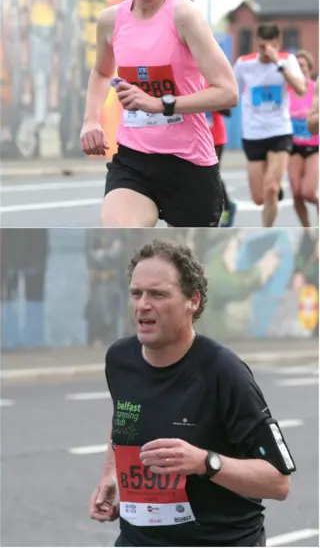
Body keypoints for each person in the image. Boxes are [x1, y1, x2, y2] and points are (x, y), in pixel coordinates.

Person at [89, 240, 295, 547]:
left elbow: (279, 482)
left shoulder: (224, 372)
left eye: (158, 294)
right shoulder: (120, 360)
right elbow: (124, 413)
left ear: (193, 301)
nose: (143, 304)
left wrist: (204, 462)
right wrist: (110, 474)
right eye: (137, 293)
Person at [80, 0, 238, 228]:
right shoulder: (110, 20)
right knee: (120, 236)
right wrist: (90, 119)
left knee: (187, 269)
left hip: (188, 163)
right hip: (134, 158)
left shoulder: (184, 15)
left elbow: (228, 91)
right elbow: (101, 72)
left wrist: (160, 103)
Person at [233, 23, 307, 227]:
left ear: (277, 44)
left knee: (272, 188)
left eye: (270, 46)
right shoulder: (244, 63)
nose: (265, 51)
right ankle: (272, 191)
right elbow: (230, 88)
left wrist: (279, 65)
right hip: (253, 134)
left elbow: (301, 89)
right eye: (261, 46)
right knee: (259, 198)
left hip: (279, 131)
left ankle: (266, 229)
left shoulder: (287, 61)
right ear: (257, 43)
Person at [287, 50, 318, 227]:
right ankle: (308, 231)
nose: (299, 69)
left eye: (302, 66)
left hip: (314, 147)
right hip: (294, 147)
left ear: (310, 69)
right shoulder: (288, 90)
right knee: (297, 194)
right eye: (296, 66)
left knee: (307, 193)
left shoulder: (316, 89)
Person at [208, 106, 237, 227]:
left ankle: (227, 207)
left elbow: (228, 111)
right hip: (195, 136)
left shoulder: (210, 86)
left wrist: (204, 101)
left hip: (215, 137)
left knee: (212, 175)